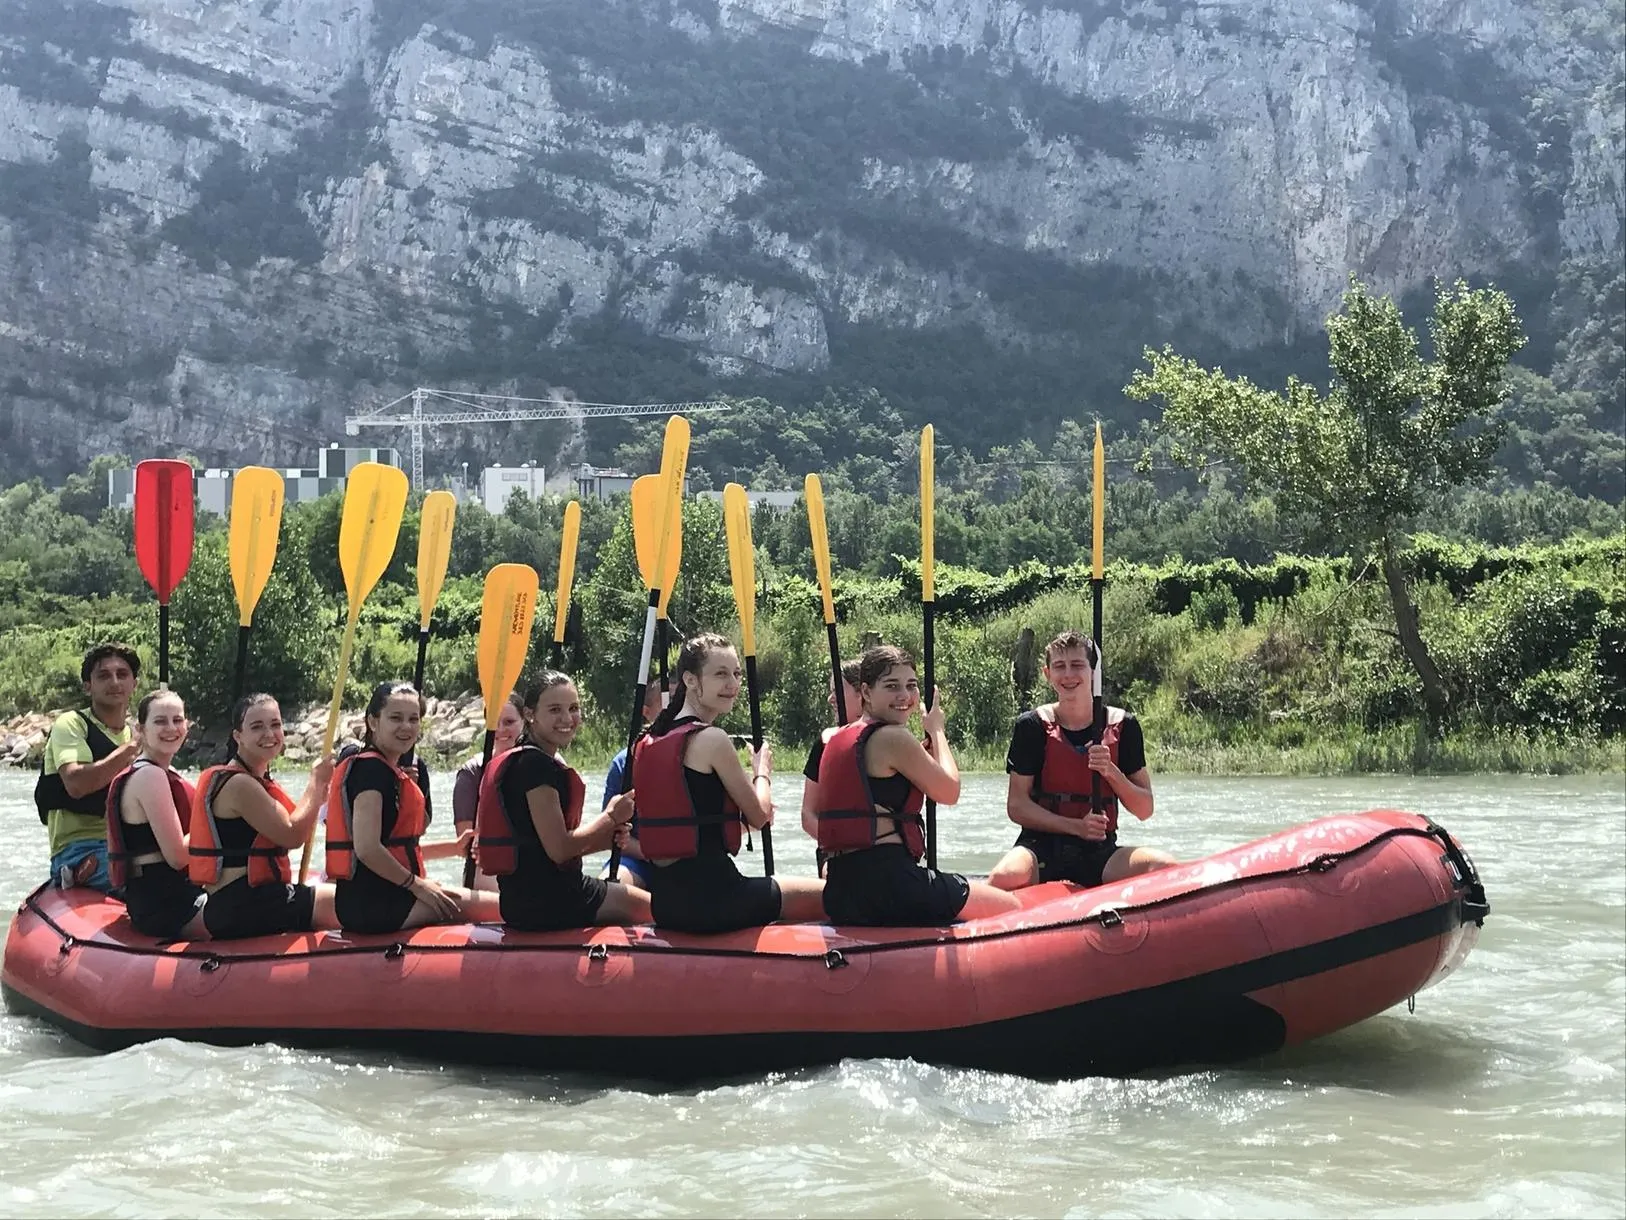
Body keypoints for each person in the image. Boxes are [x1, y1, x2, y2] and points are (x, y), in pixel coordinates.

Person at [817, 645, 1021, 926]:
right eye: (892, 686)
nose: (904, 696)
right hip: (892, 885)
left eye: (911, 685)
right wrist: (937, 730)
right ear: (866, 692)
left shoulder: (839, 737)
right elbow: (949, 791)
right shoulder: (893, 738)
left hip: (841, 891)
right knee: (1012, 908)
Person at [636, 633, 826, 933]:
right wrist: (761, 771)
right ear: (691, 680)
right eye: (721, 674)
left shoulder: (650, 740)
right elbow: (760, 816)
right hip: (718, 900)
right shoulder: (712, 739)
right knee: (833, 894)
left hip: (666, 905)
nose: (733, 684)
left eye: (736, 674)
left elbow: (698, 820)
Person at [987, 630, 1177, 892]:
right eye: (1059, 666)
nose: (1068, 675)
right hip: (1040, 846)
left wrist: (1110, 771)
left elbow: (1145, 809)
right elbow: (1017, 806)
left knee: (1165, 867)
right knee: (1003, 878)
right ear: (1047, 674)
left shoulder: (1124, 726)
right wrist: (1076, 827)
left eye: (1077, 665)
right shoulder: (1031, 726)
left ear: (1094, 672)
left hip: (1099, 849)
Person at [476, 671, 652, 930]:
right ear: (530, 714)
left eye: (573, 708)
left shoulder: (529, 760)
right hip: (552, 901)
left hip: (524, 901)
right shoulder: (535, 766)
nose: (568, 719)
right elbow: (559, 850)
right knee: (655, 909)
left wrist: (605, 839)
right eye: (555, 710)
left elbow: (540, 849)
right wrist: (610, 817)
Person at [326, 681, 498, 934]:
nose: (406, 727)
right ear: (373, 722)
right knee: (501, 908)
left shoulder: (386, 770)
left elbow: (396, 847)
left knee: (475, 901)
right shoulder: (371, 770)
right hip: (376, 905)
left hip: (380, 897)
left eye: (413, 719)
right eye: (396, 718)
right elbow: (367, 849)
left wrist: (452, 848)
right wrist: (418, 885)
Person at [190, 693, 338, 939]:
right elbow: (292, 835)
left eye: (275, 725)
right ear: (238, 736)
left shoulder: (257, 782)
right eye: (257, 727)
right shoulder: (239, 785)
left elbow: (297, 824)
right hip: (244, 904)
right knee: (349, 904)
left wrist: (318, 796)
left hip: (253, 900)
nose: (269, 734)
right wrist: (315, 783)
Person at [37, 643, 142, 891]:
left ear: (134, 684)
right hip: (79, 848)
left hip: (126, 843)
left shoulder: (137, 733)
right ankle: (79, 872)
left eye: (122, 674)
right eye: (103, 676)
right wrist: (131, 749)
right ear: (88, 686)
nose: (114, 682)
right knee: (147, 879)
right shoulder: (72, 724)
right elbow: (76, 784)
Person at [105, 690, 207, 940]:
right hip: (167, 904)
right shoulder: (150, 776)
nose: (171, 728)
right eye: (160, 721)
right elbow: (178, 857)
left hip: (167, 896)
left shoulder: (163, 772)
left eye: (177, 720)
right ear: (140, 730)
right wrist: (216, 823)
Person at [452, 692, 526, 892]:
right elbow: (465, 843)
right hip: (487, 876)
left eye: (509, 722)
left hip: (532, 871)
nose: (500, 730)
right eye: (495, 722)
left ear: (525, 721)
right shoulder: (472, 772)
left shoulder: (549, 764)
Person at [598, 683, 663, 888]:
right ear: (646, 712)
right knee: (608, 889)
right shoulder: (624, 763)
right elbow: (610, 832)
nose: (675, 709)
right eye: (666, 703)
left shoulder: (699, 755)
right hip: (639, 860)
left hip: (689, 863)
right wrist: (652, 855)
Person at [799, 658, 862, 846]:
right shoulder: (824, 744)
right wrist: (840, 849)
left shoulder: (888, 739)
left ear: (863, 692)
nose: (830, 698)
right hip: (838, 852)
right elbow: (808, 815)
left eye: (837, 690)